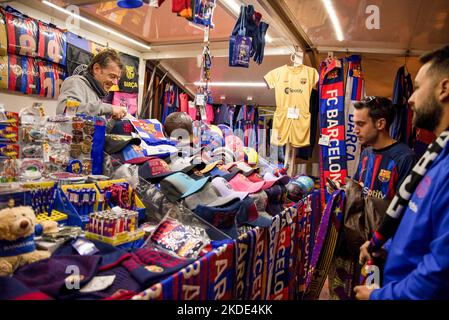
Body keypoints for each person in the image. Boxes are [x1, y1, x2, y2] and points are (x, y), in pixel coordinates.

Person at [355, 44, 449, 300]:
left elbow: (439, 273)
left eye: (418, 88)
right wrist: (382, 244)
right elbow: (418, 227)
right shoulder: (436, 156)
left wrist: (379, 296)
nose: (409, 98)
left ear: (444, 89)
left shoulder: (420, 160)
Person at [326, 96, 417, 300]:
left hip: (385, 252)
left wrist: (381, 243)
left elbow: (404, 211)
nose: (355, 129)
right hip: (362, 247)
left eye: (360, 124)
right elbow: (361, 191)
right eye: (354, 124)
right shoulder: (366, 153)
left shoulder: (405, 158)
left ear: (380, 123)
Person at [57, 48, 127, 119]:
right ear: (97, 69)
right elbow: (66, 111)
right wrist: (110, 108)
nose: (115, 83)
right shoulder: (76, 82)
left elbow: (92, 127)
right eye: (112, 76)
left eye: (117, 78)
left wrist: (115, 120)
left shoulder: (96, 93)